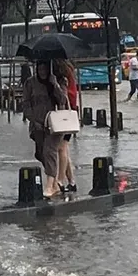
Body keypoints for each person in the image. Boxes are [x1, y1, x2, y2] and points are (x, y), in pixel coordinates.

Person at [23, 59, 69, 199]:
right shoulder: (30, 83)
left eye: (45, 69)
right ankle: (54, 182)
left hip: (55, 124)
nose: (42, 72)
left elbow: (62, 100)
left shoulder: (60, 81)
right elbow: (25, 103)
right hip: (37, 124)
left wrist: (54, 84)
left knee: (50, 150)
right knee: (40, 153)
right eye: (40, 69)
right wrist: (33, 119)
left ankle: (50, 186)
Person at [55, 60, 79, 193]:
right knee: (64, 148)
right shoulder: (69, 69)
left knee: (61, 148)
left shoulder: (62, 74)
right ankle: (72, 181)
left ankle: (60, 180)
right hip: (70, 113)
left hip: (64, 114)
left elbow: (66, 95)